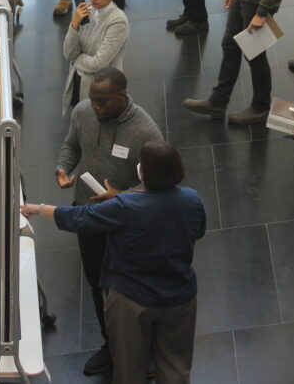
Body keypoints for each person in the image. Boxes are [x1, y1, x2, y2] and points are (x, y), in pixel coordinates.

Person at [23, 140, 205, 384]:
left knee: (129, 366)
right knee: (176, 366)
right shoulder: (192, 200)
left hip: (131, 299)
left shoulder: (126, 206)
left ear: (146, 173)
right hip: (180, 297)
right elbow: (198, 230)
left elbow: (79, 218)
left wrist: (39, 208)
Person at [54, 68, 164, 376]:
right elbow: (71, 145)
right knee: (97, 282)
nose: (96, 107)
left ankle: (146, 350)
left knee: (134, 289)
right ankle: (112, 345)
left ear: (123, 96)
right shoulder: (83, 112)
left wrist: (122, 196)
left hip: (129, 224)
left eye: (103, 102)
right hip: (89, 216)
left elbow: (159, 185)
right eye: (93, 100)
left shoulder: (146, 132)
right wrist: (63, 168)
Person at [62, 0, 129, 114]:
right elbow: (68, 54)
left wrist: (77, 59)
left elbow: (99, 63)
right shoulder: (87, 11)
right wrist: (74, 25)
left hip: (103, 92)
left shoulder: (118, 21)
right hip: (78, 83)